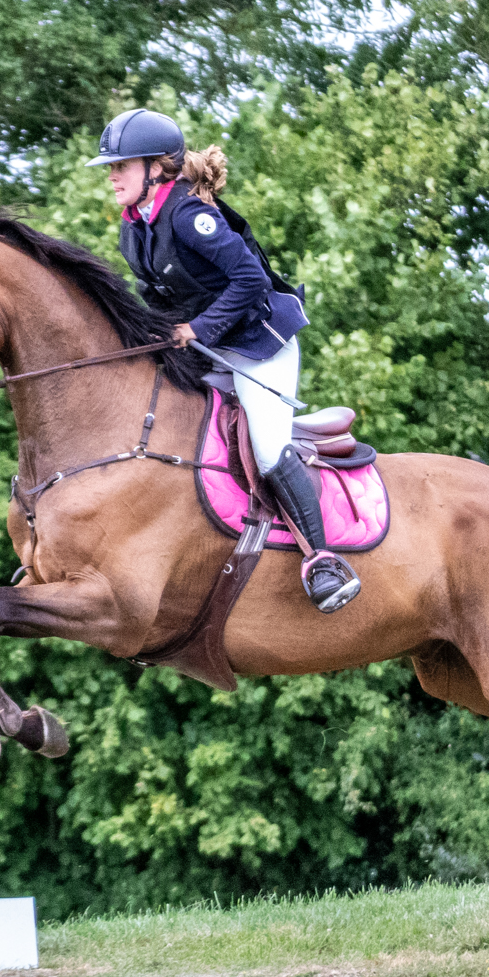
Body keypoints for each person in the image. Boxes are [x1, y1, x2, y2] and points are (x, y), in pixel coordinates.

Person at [89, 108, 362, 613]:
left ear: (157, 167)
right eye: (111, 166)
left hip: (259, 344)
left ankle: (323, 561)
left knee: (268, 449)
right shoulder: (133, 230)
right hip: (208, 349)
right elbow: (159, 301)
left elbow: (251, 279)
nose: (112, 175)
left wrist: (197, 330)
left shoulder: (190, 216)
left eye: (121, 165)